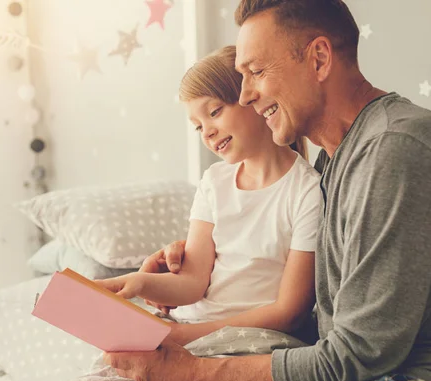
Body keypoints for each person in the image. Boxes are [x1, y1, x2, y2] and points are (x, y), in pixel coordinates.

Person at [104, 1, 431, 381]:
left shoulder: (395, 150)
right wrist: (200, 265)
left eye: (256, 72)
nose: (244, 96)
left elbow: (357, 356)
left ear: (319, 59)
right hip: (365, 368)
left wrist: (194, 375)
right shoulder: (335, 162)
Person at [96, 45, 322, 346]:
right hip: (189, 326)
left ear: (251, 98)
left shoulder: (306, 192)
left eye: (214, 112)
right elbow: (191, 282)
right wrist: (139, 283)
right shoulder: (214, 182)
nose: (207, 133)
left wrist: (183, 337)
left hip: (248, 341)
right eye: (198, 127)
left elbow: (289, 312)